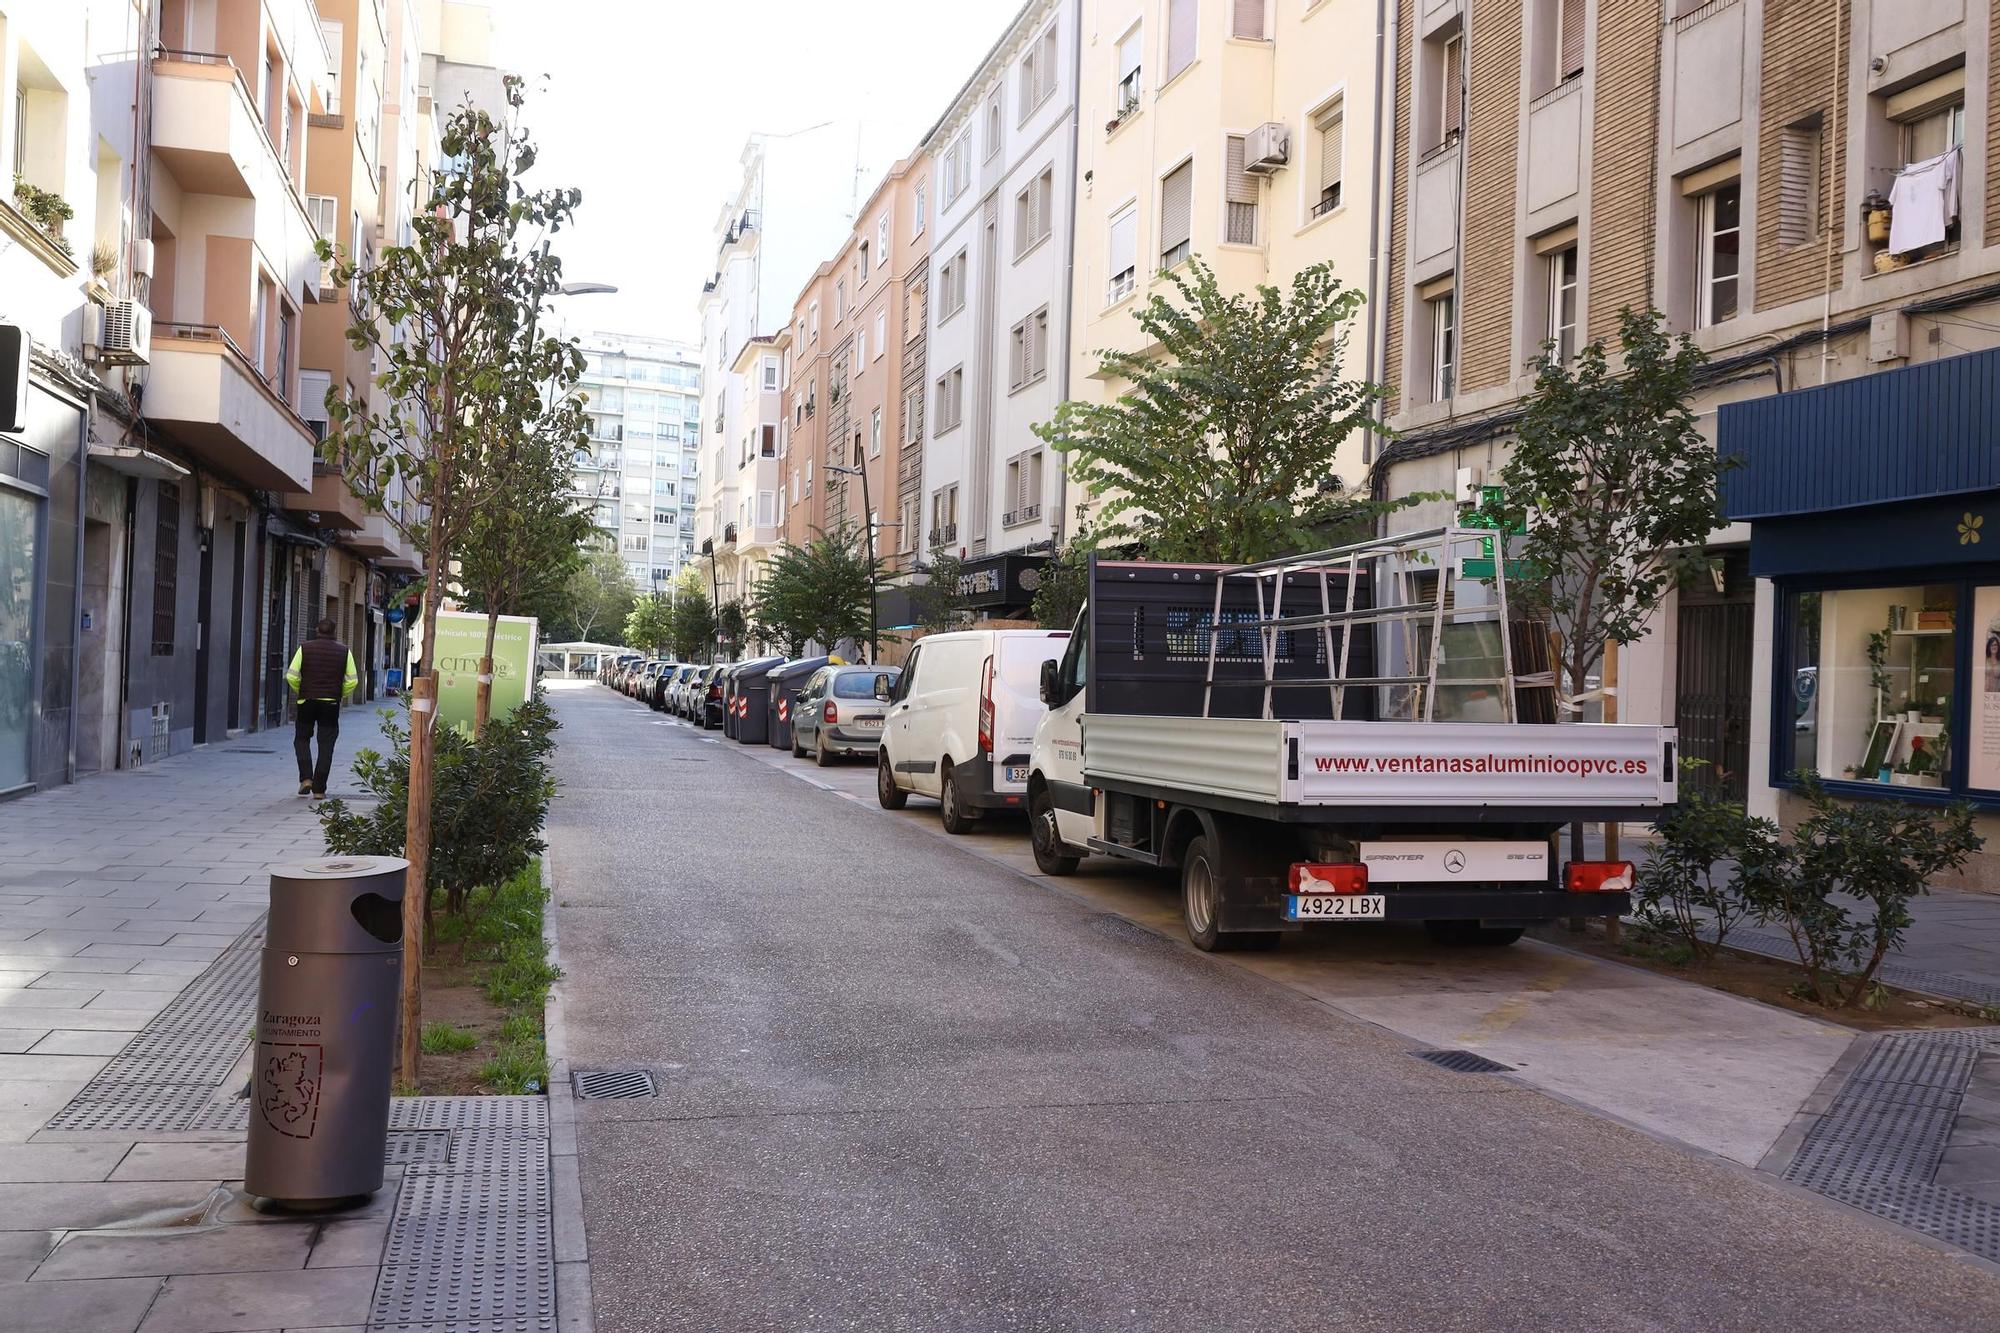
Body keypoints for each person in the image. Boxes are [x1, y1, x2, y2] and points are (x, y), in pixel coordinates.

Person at [286, 618, 358, 799]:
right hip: (330, 703)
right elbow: (353, 680)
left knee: (302, 739)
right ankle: (319, 789)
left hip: (306, 702)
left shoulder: (304, 648)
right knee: (326, 744)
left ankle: (306, 778)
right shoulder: (344, 651)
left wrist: (302, 690)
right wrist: (339, 693)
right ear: (334, 631)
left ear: (317, 630)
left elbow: (291, 676)